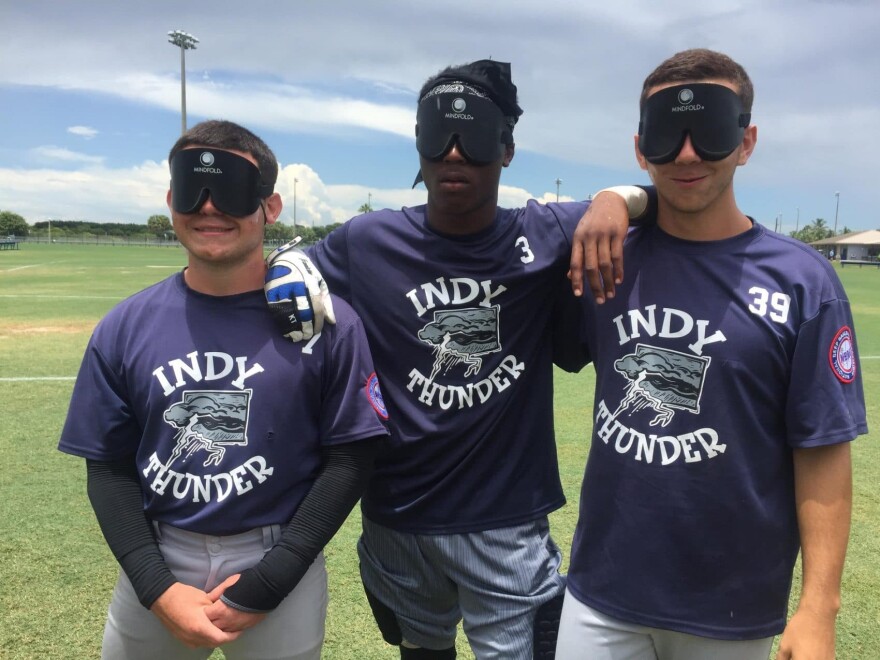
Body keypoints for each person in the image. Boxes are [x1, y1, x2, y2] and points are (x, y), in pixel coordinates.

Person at [266, 59, 653, 659]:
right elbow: (296, 266)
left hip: (503, 523)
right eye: (436, 137)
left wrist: (613, 199)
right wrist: (285, 265)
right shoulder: (369, 241)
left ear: (506, 151)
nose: (453, 154)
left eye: (473, 138)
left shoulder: (543, 231)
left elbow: (657, 198)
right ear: (418, 147)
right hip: (395, 515)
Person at [555, 48, 867, 660]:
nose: (689, 153)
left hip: (732, 605)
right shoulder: (603, 253)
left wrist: (818, 607)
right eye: (667, 136)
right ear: (642, 149)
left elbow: (823, 447)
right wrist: (612, 199)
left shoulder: (803, 282)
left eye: (712, 132)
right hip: (602, 592)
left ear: (747, 141)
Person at [58, 119, 389, 660]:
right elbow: (108, 465)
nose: (209, 208)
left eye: (231, 191)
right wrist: (156, 586)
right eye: (193, 190)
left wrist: (271, 581)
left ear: (271, 207)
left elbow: (350, 459)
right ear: (171, 200)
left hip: (280, 557)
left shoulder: (328, 325)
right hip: (161, 555)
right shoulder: (124, 326)